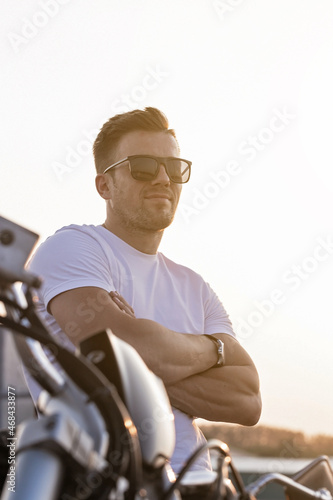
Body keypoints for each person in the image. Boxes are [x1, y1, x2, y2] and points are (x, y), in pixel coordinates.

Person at [27, 107, 261, 474]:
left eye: (174, 167)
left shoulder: (195, 287)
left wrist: (142, 363)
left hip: (201, 483)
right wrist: (218, 349)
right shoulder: (72, 248)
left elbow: (247, 400)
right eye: (144, 167)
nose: (163, 179)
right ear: (104, 185)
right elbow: (123, 351)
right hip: (110, 483)